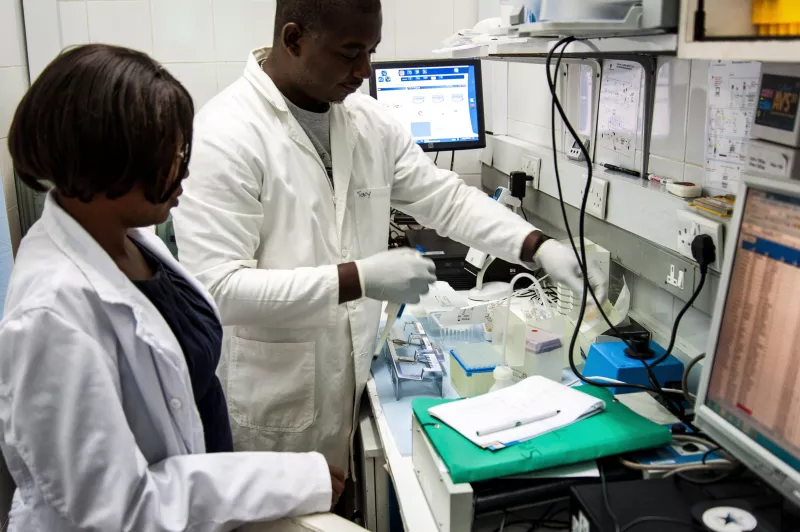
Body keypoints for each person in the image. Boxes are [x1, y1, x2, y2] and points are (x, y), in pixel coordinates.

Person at [172, 0, 605, 474]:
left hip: (346, 375)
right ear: (293, 40)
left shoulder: (365, 120)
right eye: (349, 52)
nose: (364, 70)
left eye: (372, 51)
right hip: (271, 405)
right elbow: (218, 291)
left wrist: (536, 246)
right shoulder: (225, 134)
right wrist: (358, 278)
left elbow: (444, 198)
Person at [0, 44, 344, 531]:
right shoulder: (50, 315)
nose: (185, 168)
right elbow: (122, 511)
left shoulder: (128, 240)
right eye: (170, 155)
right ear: (108, 160)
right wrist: (291, 478)